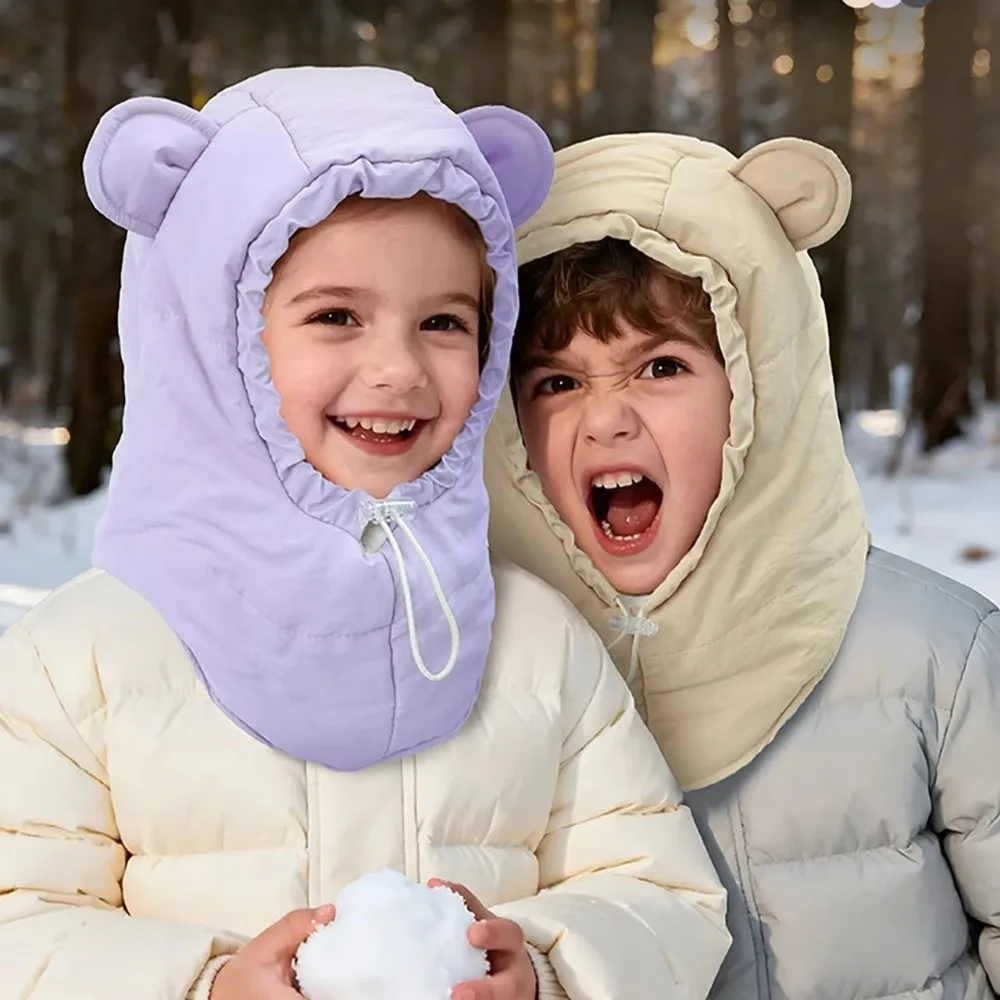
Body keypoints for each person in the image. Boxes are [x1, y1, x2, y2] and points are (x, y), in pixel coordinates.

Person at [0, 71, 732, 1000]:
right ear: (212, 333)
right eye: (335, 316)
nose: (398, 368)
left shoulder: (534, 640)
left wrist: (543, 966)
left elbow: (661, 892)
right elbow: (17, 920)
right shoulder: (83, 660)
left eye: (443, 322)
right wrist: (204, 987)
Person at [485, 130, 1000, 1000]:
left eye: (660, 365)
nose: (606, 420)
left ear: (761, 386)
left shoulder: (938, 657)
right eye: (557, 382)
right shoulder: (490, 674)